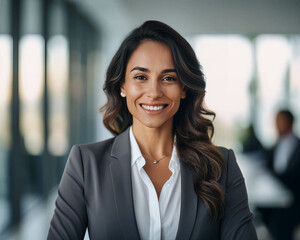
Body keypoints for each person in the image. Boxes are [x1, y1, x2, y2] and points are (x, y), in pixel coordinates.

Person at [47, 20, 257, 240]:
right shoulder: (85, 163)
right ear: (122, 86)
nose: (154, 92)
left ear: (183, 88)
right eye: (140, 77)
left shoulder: (221, 166)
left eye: (168, 78)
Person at [257, 110, 300, 240]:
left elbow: (296, 178)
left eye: (279, 121)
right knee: (258, 210)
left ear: (289, 122)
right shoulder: (275, 146)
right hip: (277, 198)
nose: (276, 125)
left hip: (297, 202)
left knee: (279, 220)